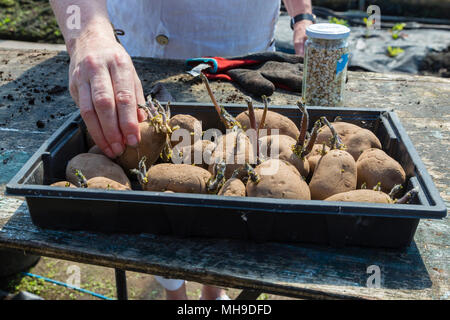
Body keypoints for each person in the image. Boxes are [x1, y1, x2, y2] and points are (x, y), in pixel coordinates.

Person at [50, 0, 314, 300]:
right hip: (133, 53)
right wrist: (87, 32)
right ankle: (175, 293)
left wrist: (302, 15)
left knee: (219, 210)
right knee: (160, 207)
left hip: (239, 53)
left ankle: (213, 290)